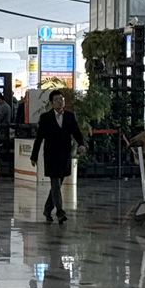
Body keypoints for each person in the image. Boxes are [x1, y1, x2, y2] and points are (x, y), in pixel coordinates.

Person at [30, 89, 86, 223]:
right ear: (51, 103)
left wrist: (81, 144)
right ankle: (60, 211)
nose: (60, 101)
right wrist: (34, 156)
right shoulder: (45, 118)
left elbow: (76, 132)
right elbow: (39, 138)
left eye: (61, 99)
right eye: (56, 99)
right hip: (51, 156)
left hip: (65, 155)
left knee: (58, 184)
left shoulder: (70, 116)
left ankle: (47, 209)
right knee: (55, 182)